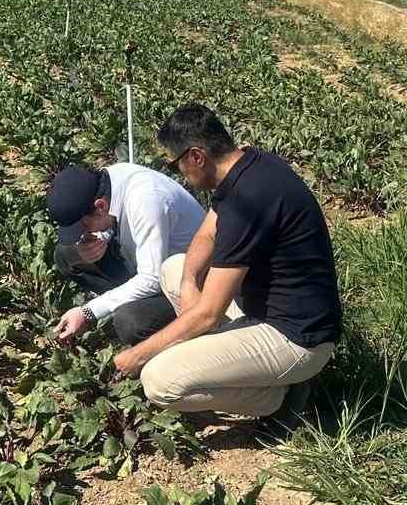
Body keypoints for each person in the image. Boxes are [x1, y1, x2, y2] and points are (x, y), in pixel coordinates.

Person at [112, 104, 341, 422]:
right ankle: (240, 367)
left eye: (177, 165)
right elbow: (206, 236)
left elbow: (209, 314)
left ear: (196, 156)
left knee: (158, 380)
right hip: (265, 310)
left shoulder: (247, 202)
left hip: (297, 339)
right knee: (175, 267)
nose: (182, 177)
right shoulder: (247, 165)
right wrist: (190, 282)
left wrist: (137, 355)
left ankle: (276, 396)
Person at [46, 162, 205, 347]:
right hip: (144, 260)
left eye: (84, 226)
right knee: (66, 255)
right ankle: (118, 302)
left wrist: (89, 312)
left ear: (100, 205)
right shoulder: (109, 182)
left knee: (129, 321)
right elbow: (112, 218)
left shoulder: (146, 200)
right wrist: (98, 240)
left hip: (188, 283)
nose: (82, 233)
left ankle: (175, 339)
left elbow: (152, 279)